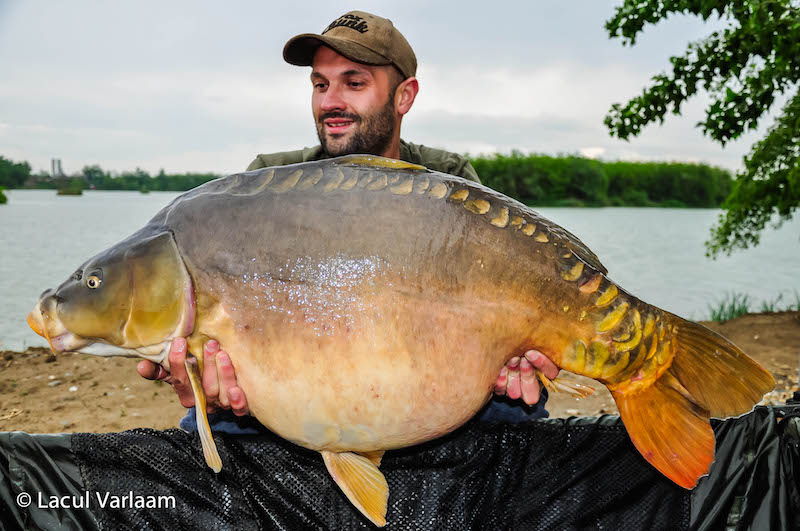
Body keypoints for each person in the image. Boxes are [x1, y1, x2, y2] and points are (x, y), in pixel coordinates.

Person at [136, 11, 560, 431]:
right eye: (320, 85)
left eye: (354, 83)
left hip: (415, 373)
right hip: (310, 377)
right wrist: (198, 367)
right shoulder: (267, 184)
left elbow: (490, 300)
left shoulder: (448, 183)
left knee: (518, 404)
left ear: (404, 96)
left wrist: (513, 349)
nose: (330, 102)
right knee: (208, 419)